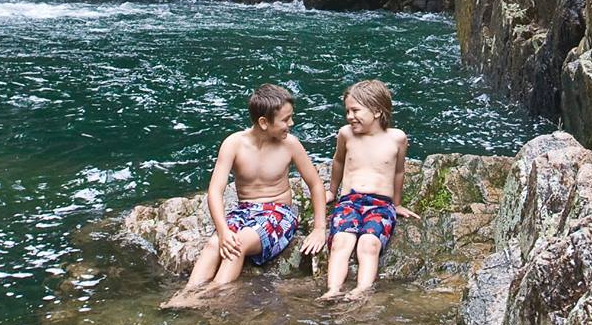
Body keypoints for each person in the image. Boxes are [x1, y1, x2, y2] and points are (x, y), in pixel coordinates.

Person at [164, 82, 329, 306]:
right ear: (263, 122)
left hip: (279, 214)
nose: (291, 123)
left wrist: (319, 229)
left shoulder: (290, 145)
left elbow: (316, 185)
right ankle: (187, 294)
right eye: (285, 119)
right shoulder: (234, 144)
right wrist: (222, 231)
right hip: (244, 211)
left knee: (237, 245)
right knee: (215, 244)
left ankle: (210, 298)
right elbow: (215, 190)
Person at [320, 78, 411, 302]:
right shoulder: (346, 134)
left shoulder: (396, 138)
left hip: (381, 204)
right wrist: (332, 191)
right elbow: (338, 162)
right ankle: (333, 289)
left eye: (355, 110)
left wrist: (396, 204)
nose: (350, 116)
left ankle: (362, 288)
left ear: (378, 111)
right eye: (347, 111)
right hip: (349, 201)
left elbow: (398, 171)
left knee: (369, 243)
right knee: (341, 241)